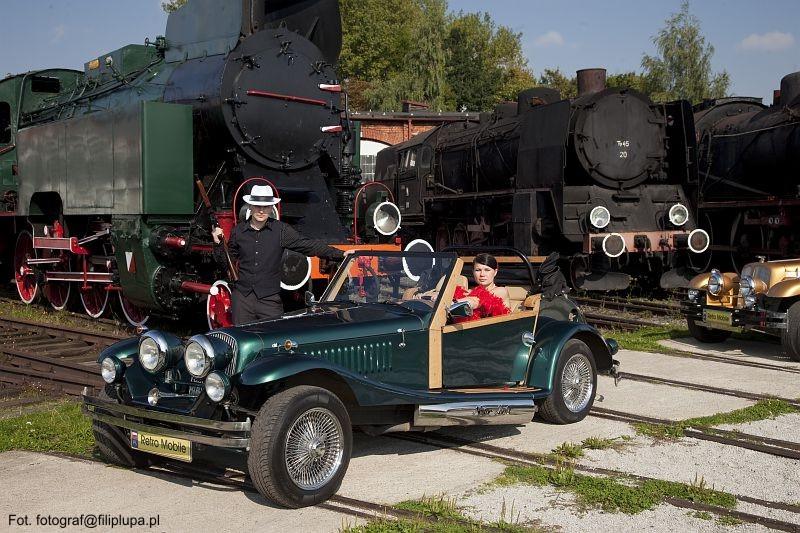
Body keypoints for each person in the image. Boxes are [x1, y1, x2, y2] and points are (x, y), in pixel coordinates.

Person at [212, 184, 351, 325]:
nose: (261, 210)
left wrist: (340, 254)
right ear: (250, 206)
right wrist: (218, 244)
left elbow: (307, 245)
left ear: (270, 208)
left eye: (265, 206)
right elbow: (226, 263)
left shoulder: (281, 230)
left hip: (269, 300)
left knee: (275, 339)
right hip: (242, 300)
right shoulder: (238, 231)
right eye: (257, 206)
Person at [452, 253, 510, 322]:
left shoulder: (501, 291)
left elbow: (477, 301)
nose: (482, 274)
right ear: (473, 272)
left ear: (495, 272)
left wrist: (452, 304)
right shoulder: (469, 291)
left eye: (487, 270)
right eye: (478, 270)